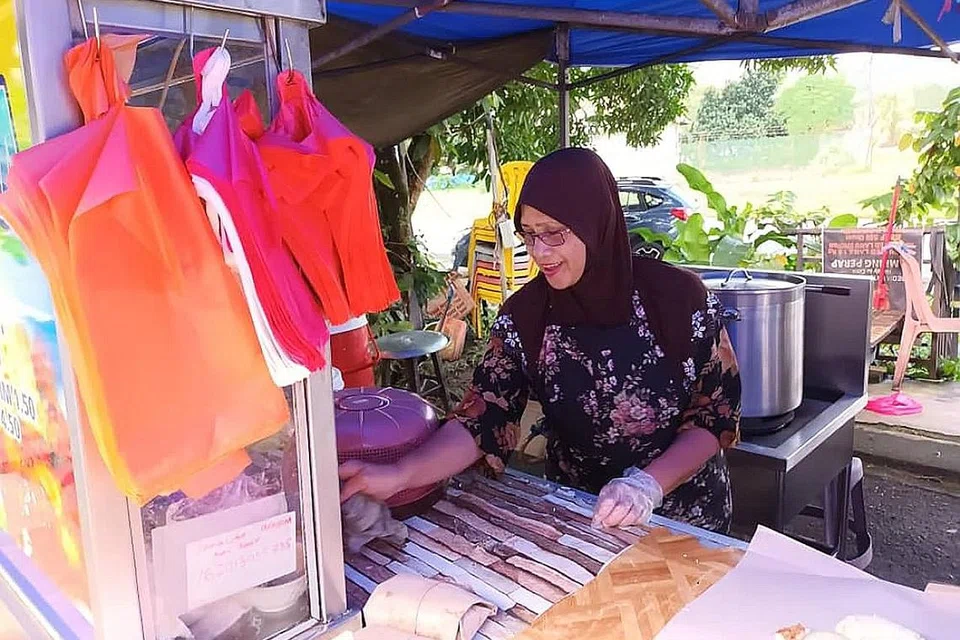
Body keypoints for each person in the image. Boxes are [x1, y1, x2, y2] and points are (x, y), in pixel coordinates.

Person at [339, 148, 741, 533]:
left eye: (553, 234)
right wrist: (400, 475)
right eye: (529, 235)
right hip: (584, 514)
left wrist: (647, 485)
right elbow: (485, 416)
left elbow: (714, 415)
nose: (539, 252)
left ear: (594, 224)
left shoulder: (678, 300)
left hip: (683, 518)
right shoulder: (527, 316)